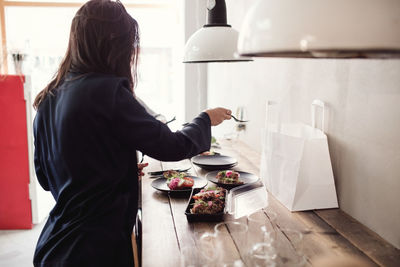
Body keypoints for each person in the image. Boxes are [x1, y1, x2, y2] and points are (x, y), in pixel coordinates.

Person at [31, 0, 231, 266]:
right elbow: (172, 146)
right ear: (116, 45)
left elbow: (47, 178)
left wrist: (114, 170)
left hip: (55, 243)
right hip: (93, 249)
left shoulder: (49, 97)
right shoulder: (108, 91)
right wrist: (205, 118)